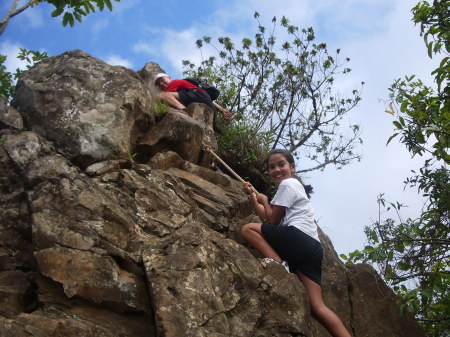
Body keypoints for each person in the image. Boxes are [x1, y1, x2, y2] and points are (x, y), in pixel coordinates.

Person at [241, 149, 352, 337]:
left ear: (292, 167)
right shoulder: (291, 187)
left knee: (248, 229)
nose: (276, 169)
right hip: (313, 248)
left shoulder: (288, 184)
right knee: (317, 307)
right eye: (271, 167)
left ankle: (278, 264)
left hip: (298, 238)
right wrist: (253, 195)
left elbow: (272, 221)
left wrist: (266, 200)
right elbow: (266, 216)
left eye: (281, 164)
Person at [154, 73, 232, 121]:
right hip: (210, 108)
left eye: (162, 79)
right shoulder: (188, 88)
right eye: (158, 84)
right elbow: (206, 98)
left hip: (199, 97)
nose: (161, 83)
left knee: (161, 96)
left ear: (169, 78)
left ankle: (185, 111)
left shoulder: (173, 83)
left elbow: (165, 99)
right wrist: (222, 110)